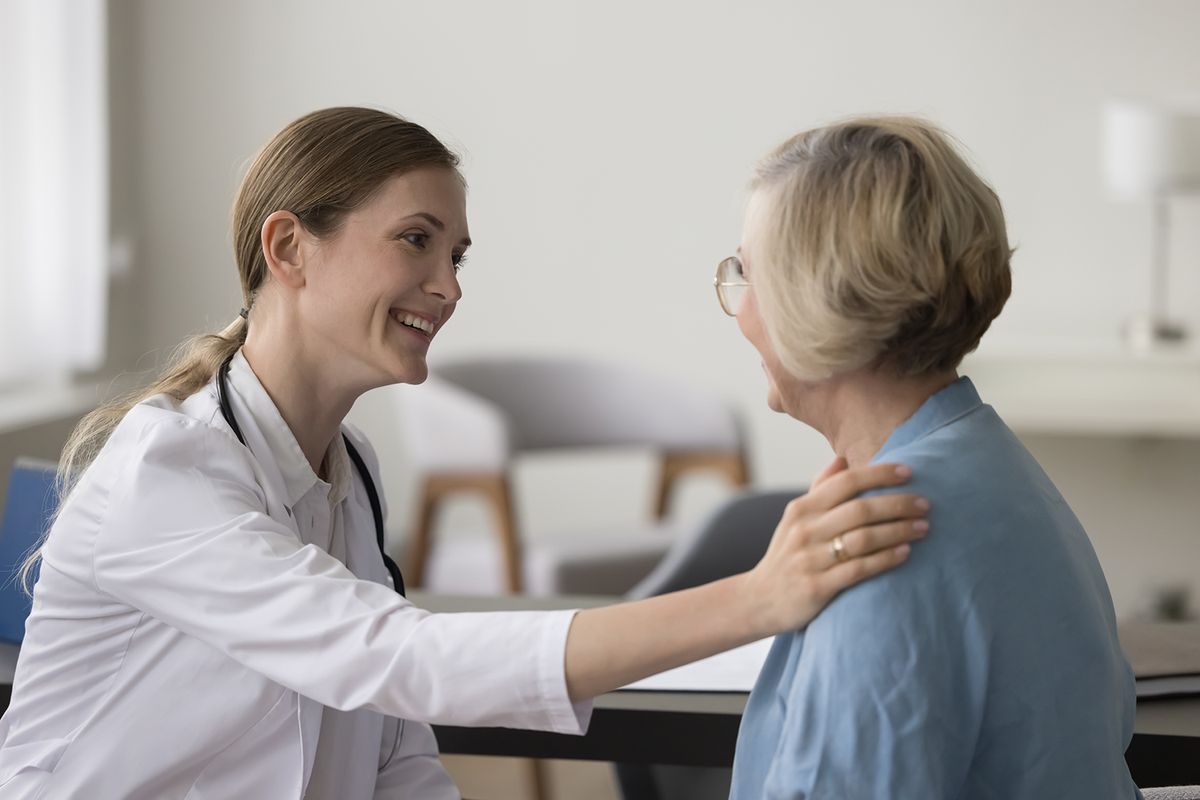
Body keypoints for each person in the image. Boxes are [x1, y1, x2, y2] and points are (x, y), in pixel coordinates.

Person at [0, 107, 931, 799]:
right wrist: (757, 599)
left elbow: (396, 751)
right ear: (290, 248)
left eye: (458, 255)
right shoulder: (170, 472)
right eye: (417, 242)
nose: (447, 287)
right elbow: (397, 657)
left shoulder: (346, 469)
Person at [718, 116, 1140, 798]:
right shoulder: (996, 466)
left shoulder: (882, 543)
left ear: (817, 300)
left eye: (747, 275)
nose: (739, 313)